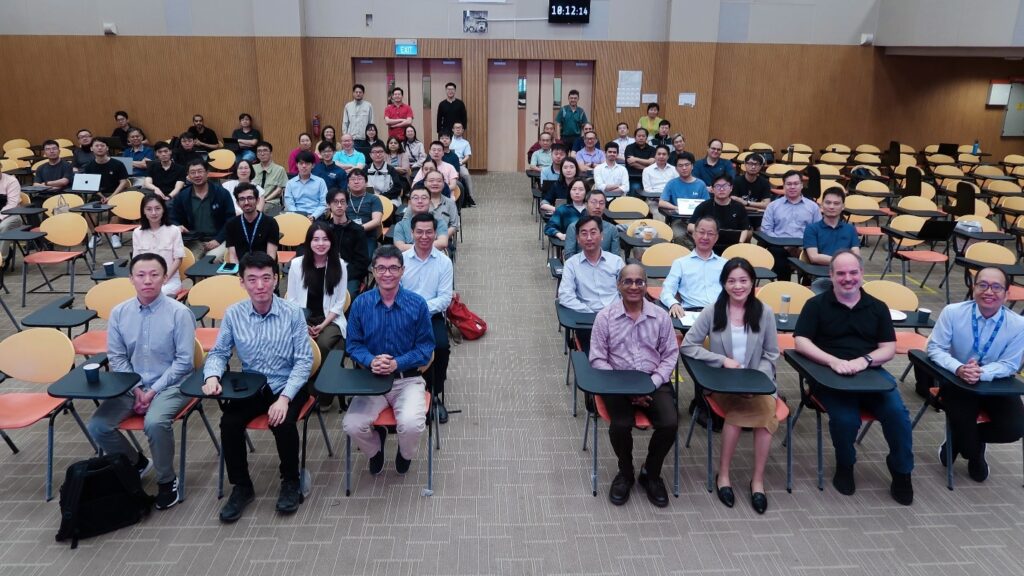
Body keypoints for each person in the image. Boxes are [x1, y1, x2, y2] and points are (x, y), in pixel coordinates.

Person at [794, 250, 913, 505]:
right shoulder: (816, 305)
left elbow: (888, 348)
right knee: (845, 419)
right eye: (841, 273)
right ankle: (845, 465)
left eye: (853, 272)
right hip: (830, 376)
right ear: (831, 275)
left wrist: (864, 361)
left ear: (861, 274)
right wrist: (833, 361)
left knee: (898, 415)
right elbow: (801, 341)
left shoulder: (877, 307)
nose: (847, 278)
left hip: (870, 374)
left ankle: (902, 470)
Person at [202, 252, 313, 522]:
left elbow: (304, 361)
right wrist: (211, 377)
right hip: (252, 385)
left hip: (287, 383)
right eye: (252, 279)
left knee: (282, 422)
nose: (260, 285)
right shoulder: (234, 314)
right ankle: (242, 486)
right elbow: (218, 353)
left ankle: (290, 480)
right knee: (229, 423)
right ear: (242, 282)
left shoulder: (292, 313)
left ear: (276, 280)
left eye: (266, 278)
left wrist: (285, 398)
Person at [87, 253, 196, 510]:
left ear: (164, 278)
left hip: (173, 384)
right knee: (98, 427)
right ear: (131, 279)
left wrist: (153, 391)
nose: (148, 280)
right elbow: (117, 357)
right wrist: (137, 389)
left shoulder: (179, 313)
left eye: (154, 275)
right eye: (141, 275)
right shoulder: (119, 313)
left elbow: (184, 363)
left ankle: (167, 480)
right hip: (131, 385)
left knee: (155, 422)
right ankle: (136, 462)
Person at [681, 258, 780, 514]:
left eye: (743, 280)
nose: (738, 286)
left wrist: (756, 380)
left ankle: (757, 480)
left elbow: (771, 354)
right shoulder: (713, 311)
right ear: (724, 284)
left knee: (767, 417)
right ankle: (723, 474)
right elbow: (688, 345)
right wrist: (721, 360)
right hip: (723, 385)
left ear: (752, 282)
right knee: (737, 415)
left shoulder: (765, 312)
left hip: (757, 383)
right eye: (731, 281)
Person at [590, 263, 679, 507]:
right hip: (617, 382)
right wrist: (628, 391)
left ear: (645, 284)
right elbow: (597, 358)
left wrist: (651, 384)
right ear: (619, 285)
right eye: (627, 281)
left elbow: (670, 354)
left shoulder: (660, 316)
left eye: (639, 281)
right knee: (620, 424)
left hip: (652, 380)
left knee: (670, 423)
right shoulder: (605, 317)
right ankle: (625, 473)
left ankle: (650, 472)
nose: (633, 286)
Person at [923, 267, 1024, 482]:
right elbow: (935, 349)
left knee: (1015, 428)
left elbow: (1010, 363)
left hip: (996, 382)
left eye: (997, 287)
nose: (989, 291)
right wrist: (959, 368)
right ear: (973, 288)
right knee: (968, 444)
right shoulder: (953, 312)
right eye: (983, 285)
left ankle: (962, 442)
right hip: (958, 381)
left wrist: (982, 372)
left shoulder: (1018, 324)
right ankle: (973, 452)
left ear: (1007, 294)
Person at [342, 245, 434, 477]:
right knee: (351, 425)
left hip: (408, 379)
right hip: (372, 380)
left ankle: (404, 454)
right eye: (381, 268)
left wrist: (397, 363)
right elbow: (352, 345)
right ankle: (375, 449)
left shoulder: (418, 304)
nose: (387, 274)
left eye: (393, 268)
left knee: (412, 424)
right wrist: (371, 360)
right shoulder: (360, 304)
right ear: (373, 271)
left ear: (402, 271)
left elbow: (426, 348)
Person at [401, 213, 455, 423]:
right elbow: (396, 290)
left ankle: (434, 395)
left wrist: (419, 309)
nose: (424, 236)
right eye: (419, 232)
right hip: (402, 315)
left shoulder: (443, 262)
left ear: (435, 234)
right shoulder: (402, 260)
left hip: (430, 316)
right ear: (412, 233)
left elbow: (443, 299)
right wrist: (408, 310)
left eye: (429, 232)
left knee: (441, 347)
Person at [557, 215, 625, 351]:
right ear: (577, 238)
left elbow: (628, 291)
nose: (589, 238)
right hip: (588, 321)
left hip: (618, 319)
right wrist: (590, 313)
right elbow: (565, 296)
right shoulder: (572, 264)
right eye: (584, 233)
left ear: (602, 236)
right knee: (595, 359)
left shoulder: (616, 262)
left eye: (593, 233)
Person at [285, 221, 348, 362]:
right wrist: (303, 324)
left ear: (331, 242)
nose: (321, 244)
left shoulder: (340, 265)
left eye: (325, 239)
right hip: (303, 318)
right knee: (297, 345)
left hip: (330, 319)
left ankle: (323, 380)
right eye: (316, 239)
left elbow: (340, 302)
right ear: (309, 242)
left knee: (323, 344)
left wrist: (323, 325)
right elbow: (292, 300)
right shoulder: (296, 264)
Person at [761, 170, 822, 280]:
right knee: (776, 253)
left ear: (802, 185)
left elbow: (818, 231)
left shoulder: (813, 207)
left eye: (796, 183)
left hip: (804, 247)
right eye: (789, 184)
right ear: (783, 186)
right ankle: (784, 287)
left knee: (814, 255)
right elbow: (766, 230)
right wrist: (785, 245)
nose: (792, 187)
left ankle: (806, 288)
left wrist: (802, 247)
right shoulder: (773, 206)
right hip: (779, 246)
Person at [169, 160, 233, 261]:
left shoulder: (222, 193)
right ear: (188, 176)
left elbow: (231, 220)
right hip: (194, 241)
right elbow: (172, 218)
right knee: (190, 261)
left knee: (210, 260)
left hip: (219, 239)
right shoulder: (183, 196)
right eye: (193, 172)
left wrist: (218, 239)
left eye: (200, 171)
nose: (197, 175)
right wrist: (177, 225)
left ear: (207, 173)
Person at [661, 216, 726, 313]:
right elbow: (667, 291)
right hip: (691, 312)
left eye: (710, 233)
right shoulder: (680, 263)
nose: (705, 237)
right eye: (701, 232)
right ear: (694, 234)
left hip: (721, 313)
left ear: (716, 238)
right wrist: (674, 304)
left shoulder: (725, 264)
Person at [803, 188, 860, 293]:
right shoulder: (812, 229)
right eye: (828, 203)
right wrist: (843, 260)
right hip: (822, 277)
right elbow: (814, 257)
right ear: (821, 205)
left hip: (847, 277)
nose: (831, 207)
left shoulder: (850, 229)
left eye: (836, 203)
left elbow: (856, 257)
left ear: (843, 207)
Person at [132, 194, 185, 296]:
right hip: (145, 280)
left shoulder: (174, 230)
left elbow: (178, 259)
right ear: (143, 211)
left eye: (157, 208)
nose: (153, 213)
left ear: (163, 209)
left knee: (157, 294)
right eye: (149, 209)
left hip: (169, 280)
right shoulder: (137, 232)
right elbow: (136, 261)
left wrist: (164, 278)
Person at [326, 188, 370, 296]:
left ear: (347, 205)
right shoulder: (323, 229)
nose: (339, 205)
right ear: (328, 205)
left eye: (342, 202)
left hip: (350, 275)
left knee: (347, 295)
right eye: (335, 202)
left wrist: (342, 275)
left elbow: (362, 261)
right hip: (326, 272)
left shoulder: (357, 230)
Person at [689, 175, 752, 249]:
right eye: (718, 186)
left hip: (733, 245)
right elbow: (690, 226)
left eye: (725, 186)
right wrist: (705, 233)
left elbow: (745, 229)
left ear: (731, 188)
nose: (721, 189)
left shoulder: (739, 207)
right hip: (708, 245)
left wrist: (739, 244)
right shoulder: (704, 206)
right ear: (712, 189)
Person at [224, 182, 279, 264]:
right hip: (241, 269)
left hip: (264, 268)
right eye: (242, 199)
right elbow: (233, 256)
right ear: (237, 203)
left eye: (250, 198)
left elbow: (271, 255)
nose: (246, 202)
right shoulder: (231, 224)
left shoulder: (270, 222)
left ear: (257, 200)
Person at [393, 185, 449, 252]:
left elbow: (442, 243)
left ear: (430, 202)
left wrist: (416, 247)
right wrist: (424, 247)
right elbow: (400, 247)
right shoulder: (401, 225)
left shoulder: (439, 222)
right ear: (410, 203)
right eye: (415, 198)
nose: (420, 201)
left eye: (424, 198)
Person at [564, 190, 619, 258]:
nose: (598, 206)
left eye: (601, 203)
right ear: (586, 205)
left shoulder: (612, 229)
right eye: (594, 202)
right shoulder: (574, 227)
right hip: (580, 266)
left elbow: (616, 257)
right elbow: (569, 255)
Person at [345, 169, 383, 259]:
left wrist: (358, 229)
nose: (356, 182)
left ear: (366, 182)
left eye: (359, 179)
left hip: (367, 236)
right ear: (348, 183)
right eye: (353, 179)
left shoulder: (374, 199)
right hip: (346, 235)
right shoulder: (343, 199)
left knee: (365, 258)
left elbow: (377, 221)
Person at [658, 152, 709, 217]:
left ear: (692, 166)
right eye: (680, 165)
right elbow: (661, 202)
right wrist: (676, 208)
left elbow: (707, 204)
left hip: (697, 219)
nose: (684, 168)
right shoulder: (671, 184)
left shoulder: (701, 184)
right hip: (678, 219)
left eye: (687, 165)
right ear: (676, 169)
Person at [284, 150, 328, 221]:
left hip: (316, 217)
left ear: (313, 165)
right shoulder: (290, 183)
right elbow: (289, 203)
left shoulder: (320, 182)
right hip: (296, 217)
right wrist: (298, 216)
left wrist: (314, 216)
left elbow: (323, 203)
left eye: (307, 163)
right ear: (297, 165)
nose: (304, 166)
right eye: (301, 163)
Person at [253, 141, 288, 210]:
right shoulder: (253, 168)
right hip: (253, 201)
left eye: (265, 151)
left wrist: (264, 200)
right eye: (259, 151)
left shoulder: (279, 169)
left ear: (271, 153)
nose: (262, 154)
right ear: (257, 154)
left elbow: (279, 190)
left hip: (271, 202)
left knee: (261, 211)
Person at [450, 122, 475, 205]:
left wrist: (460, 162)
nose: (458, 129)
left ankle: (471, 197)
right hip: (447, 163)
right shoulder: (448, 140)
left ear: (462, 130)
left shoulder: (465, 143)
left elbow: (467, 156)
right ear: (452, 129)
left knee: (466, 175)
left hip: (460, 163)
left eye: (459, 128)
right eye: (456, 128)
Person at [624, 128, 655, 195]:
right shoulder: (629, 147)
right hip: (634, 177)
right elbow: (631, 163)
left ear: (646, 137)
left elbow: (651, 162)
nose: (641, 138)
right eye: (639, 136)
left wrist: (636, 159)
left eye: (643, 136)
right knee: (636, 188)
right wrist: (647, 167)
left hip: (650, 178)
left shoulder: (652, 149)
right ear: (635, 137)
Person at [342, 84, 374, 148]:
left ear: (363, 93)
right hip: (352, 139)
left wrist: (371, 137)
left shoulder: (368, 105)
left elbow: (371, 122)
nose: (358, 94)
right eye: (356, 92)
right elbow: (345, 122)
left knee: (365, 157)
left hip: (365, 139)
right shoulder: (348, 106)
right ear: (353, 93)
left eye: (360, 92)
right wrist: (345, 137)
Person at [0, 172, 22, 255]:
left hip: (12, 214)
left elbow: (12, 205)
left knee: (3, 226)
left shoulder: (11, 181)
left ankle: (2, 259)